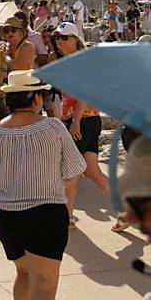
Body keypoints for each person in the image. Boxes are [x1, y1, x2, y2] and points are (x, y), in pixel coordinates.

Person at [0, 70, 86, 300]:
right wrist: (54, 184)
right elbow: (77, 169)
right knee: (44, 282)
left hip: (6, 217)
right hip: (46, 215)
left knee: (23, 272)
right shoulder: (53, 127)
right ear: (36, 98)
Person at [53, 22, 113, 231]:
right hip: (86, 119)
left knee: (71, 170)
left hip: (83, 120)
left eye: (64, 37)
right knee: (92, 171)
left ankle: (63, 215)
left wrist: (75, 122)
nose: (60, 41)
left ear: (75, 39)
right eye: (58, 37)